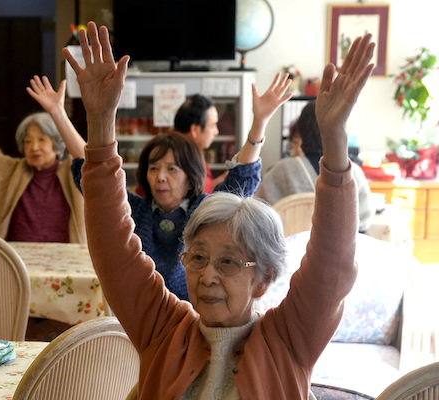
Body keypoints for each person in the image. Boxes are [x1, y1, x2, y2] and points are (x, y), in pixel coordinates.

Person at [64, 21, 372, 398]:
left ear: (263, 279)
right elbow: (113, 249)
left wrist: (335, 137)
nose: (207, 276)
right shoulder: (162, 330)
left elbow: (332, 267)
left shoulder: (290, 338)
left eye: (228, 262)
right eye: (197, 258)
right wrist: (99, 122)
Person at [68, 74, 291, 300]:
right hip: (141, 312)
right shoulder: (136, 209)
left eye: (172, 169)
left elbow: (241, 178)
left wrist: (260, 122)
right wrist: (59, 113)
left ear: (190, 176)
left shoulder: (204, 210)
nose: (161, 177)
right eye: (153, 168)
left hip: (194, 312)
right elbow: (97, 179)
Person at [0, 64, 85, 243]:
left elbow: (88, 159)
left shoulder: (73, 172)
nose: (34, 147)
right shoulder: (6, 171)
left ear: (58, 147)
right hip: (16, 261)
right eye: (27, 141)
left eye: (42, 140)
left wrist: (58, 112)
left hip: (67, 261)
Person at [256, 102, 374, 232]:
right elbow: (363, 223)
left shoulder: (281, 170)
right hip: (343, 251)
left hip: (288, 249)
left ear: (302, 132)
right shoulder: (353, 172)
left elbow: (258, 214)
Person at [173, 94, 223, 192]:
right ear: (195, 130)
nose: (216, 132)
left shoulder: (193, 152)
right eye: (213, 125)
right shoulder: (176, 158)